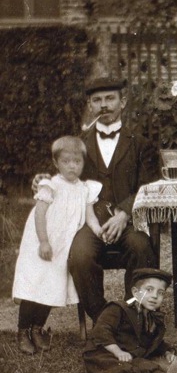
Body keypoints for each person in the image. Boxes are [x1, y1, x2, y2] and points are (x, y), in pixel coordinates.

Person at [34, 76, 159, 322]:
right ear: (90, 105)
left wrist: (124, 214)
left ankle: (134, 316)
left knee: (142, 248)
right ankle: (105, 319)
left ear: (123, 102)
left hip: (128, 222)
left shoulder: (141, 144)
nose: (104, 105)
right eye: (97, 100)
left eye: (110, 99)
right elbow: (61, 177)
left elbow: (149, 187)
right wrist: (42, 180)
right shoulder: (78, 145)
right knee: (80, 255)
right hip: (88, 222)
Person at [13, 136, 103, 354]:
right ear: (56, 163)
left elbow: (90, 216)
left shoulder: (85, 189)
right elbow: (39, 215)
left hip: (61, 249)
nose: (72, 166)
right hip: (42, 244)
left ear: (83, 163)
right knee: (35, 286)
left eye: (77, 162)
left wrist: (100, 231)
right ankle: (23, 331)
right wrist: (44, 241)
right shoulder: (50, 186)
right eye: (66, 161)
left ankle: (37, 328)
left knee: (51, 288)